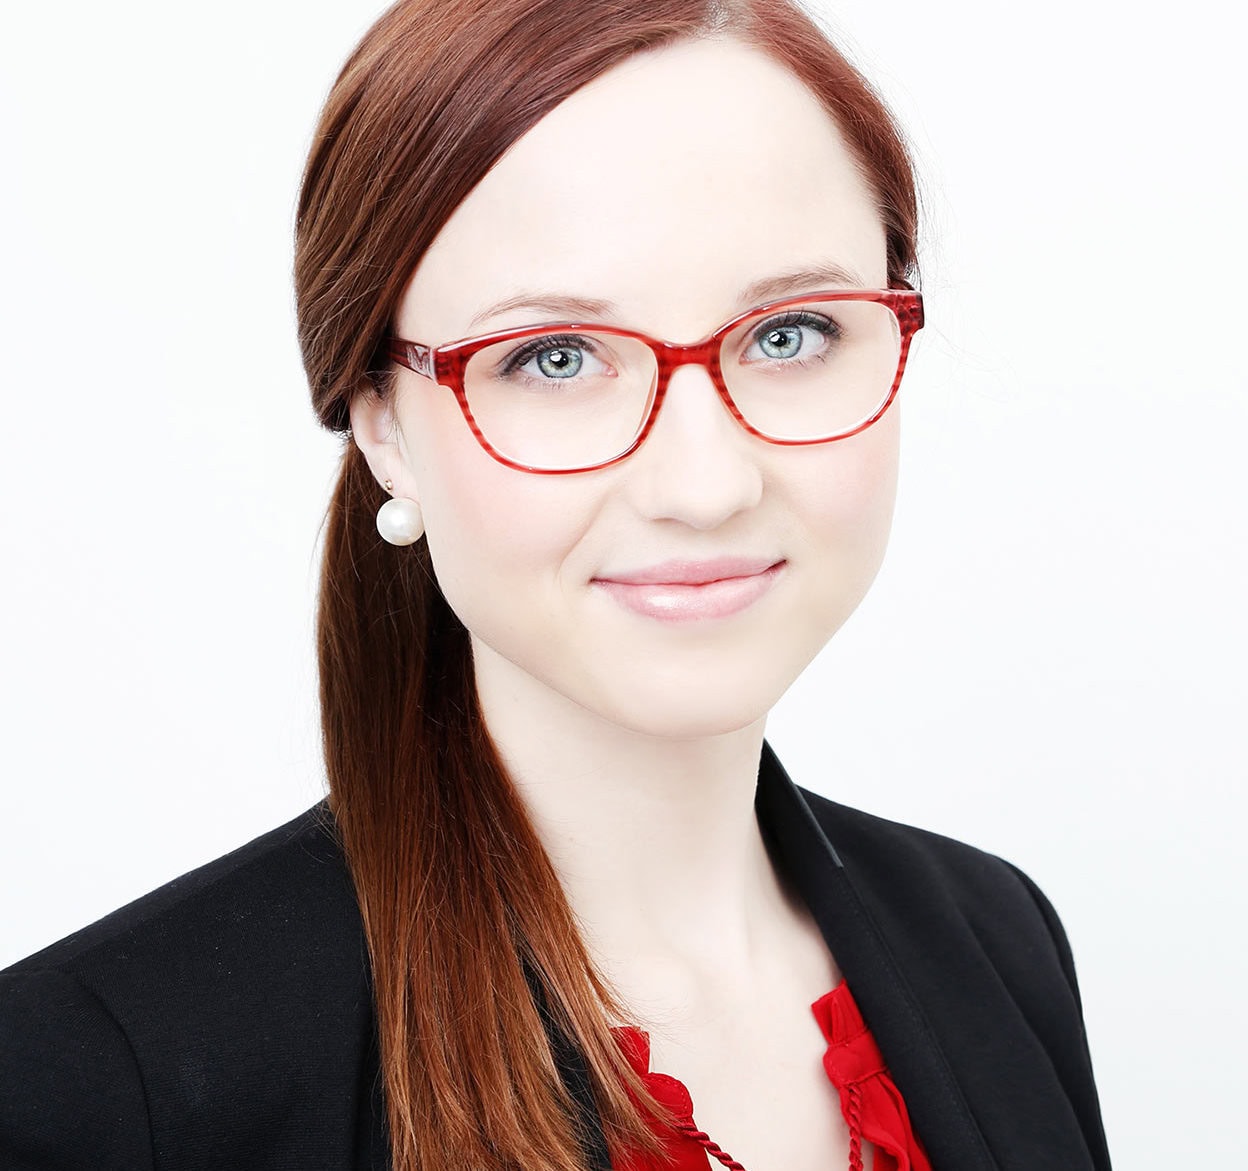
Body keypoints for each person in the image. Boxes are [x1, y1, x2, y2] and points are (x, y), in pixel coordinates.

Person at [0, 1, 1112, 1168]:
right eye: (555, 357)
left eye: (788, 334)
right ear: (380, 422)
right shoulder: (92, 1091)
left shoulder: (993, 940)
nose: (705, 484)